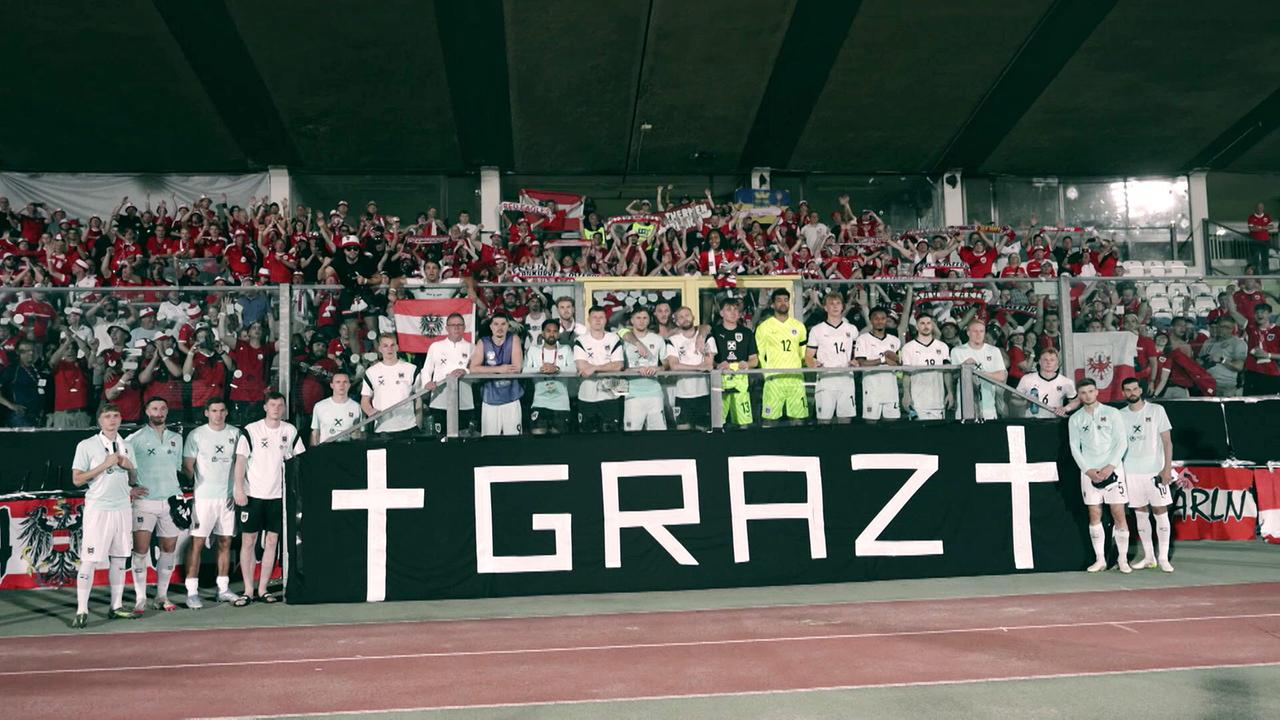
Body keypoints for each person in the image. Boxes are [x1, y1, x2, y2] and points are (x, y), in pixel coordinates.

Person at [70, 404, 144, 627]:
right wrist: (104, 465)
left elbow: (130, 479)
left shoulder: (127, 445)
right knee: (90, 559)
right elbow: (77, 479)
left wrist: (130, 470)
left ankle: (117, 606)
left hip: (122, 508)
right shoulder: (87, 445)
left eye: (116, 416)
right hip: (98, 509)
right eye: (107, 416)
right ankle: (82, 609)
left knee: (120, 558)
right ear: (100, 420)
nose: (112, 420)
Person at [233, 392, 304, 605]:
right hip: (253, 495)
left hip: (278, 496)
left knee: (272, 541)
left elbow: (299, 460)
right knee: (248, 541)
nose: (276, 408)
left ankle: (263, 588)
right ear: (265, 407)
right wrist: (238, 489)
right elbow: (240, 462)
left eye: (280, 405)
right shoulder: (251, 430)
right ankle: (247, 589)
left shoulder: (289, 431)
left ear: (283, 408)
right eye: (272, 405)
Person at [125, 397, 184, 613]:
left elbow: (177, 468)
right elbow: (125, 470)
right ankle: (140, 598)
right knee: (140, 550)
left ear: (167, 412)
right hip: (144, 502)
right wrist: (130, 488)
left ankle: (161, 596)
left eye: (163, 408)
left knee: (168, 549)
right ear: (147, 411)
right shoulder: (134, 439)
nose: (159, 412)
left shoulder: (177, 438)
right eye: (155, 408)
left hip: (170, 501)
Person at [1067, 378, 1131, 574]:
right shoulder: (1075, 419)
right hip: (1089, 473)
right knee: (1094, 514)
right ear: (1079, 395)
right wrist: (1088, 470)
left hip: (1113, 471)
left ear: (1097, 392)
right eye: (1083, 392)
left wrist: (1110, 467)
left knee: (1118, 513)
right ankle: (1100, 559)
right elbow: (1074, 447)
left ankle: (1122, 559)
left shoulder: (1112, 413)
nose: (1087, 395)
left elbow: (1122, 442)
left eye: (1090, 391)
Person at [182, 398, 240, 609]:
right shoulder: (196, 435)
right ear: (207, 413)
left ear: (226, 412)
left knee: (225, 542)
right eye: (214, 411)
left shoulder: (236, 434)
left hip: (228, 498)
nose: (218, 414)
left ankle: (223, 589)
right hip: (204, 498)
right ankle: (192, 592)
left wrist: (237, 490)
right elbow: (188, 466)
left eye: (222, 410)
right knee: (197, 543)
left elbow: (240, 465)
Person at [1118, 378, 1175, 572]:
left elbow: (1167, 442)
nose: (1132, 392)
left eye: (1135, 389)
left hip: (1155, 470)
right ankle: (1149, 557)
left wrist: (1166, 468)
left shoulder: (1157, 410)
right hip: (1131, 471)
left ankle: (1163, 558)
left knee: (1160, 512)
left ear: (1141, 390)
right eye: (1128, 390)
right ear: (1123, 393)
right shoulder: (1120, 415)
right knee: (1140, 515)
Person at [754, 288, 808, 425]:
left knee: (797, 420)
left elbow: (804, 353)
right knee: (770, 420)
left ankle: (796, 446)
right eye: (779, 300)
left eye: (786, 300)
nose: (783, 303)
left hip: (795, 379)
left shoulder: (799, 326)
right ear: (772, 304)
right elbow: (759, 354)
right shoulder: (764, 327)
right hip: (774, 380)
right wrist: (767, 374)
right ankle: (768, 446)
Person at [806, 292, 859, 424]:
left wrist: (856, 361)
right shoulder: (817, 330)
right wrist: (812, 364)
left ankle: (845, 445)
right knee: (823, 420)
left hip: (846, 378)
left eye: (838, 303)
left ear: (842, 307)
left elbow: (857, 353)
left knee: (845, 419)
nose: (835, 307)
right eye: (831, 304)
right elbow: (808, 356)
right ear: (825, 307)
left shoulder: (851, 329)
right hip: (826, 378)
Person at [706, 297, 758, 428]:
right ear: (721, 313)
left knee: (743, 423)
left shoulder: (747, 333)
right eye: (728, 309)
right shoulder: (714, 332)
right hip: (720, 381)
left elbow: (754, 361)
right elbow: (707, 361)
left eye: (736, 309)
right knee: (719, 423)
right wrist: (717, 365)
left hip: (741, 382)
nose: (733, 312)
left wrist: (747, 364)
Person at [418, 313, 474, 435]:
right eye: (453, 325)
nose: (456, 328)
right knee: (440, 438)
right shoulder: (436, 346)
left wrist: (466, 371)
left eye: (459, 325)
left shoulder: (471, 347)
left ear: (464, 327)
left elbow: (475, 370)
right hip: (439, 400)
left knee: (463, 437)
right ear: (447, 328)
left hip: (464, 401)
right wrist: (427, 382)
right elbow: (426, 369)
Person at [470, 313, 523, 436]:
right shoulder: (483, 342)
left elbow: (517, 368)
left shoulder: (514, 339)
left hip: (511, 398)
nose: (500, 327)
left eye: (503, 324)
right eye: (496, 324)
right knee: (489, 440)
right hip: (490, 398)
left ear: (508, 326)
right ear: (490, 326)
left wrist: (488, 369)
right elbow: (473, 368)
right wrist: (500, 369)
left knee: (514, 439)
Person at [573, 306, 624, 432]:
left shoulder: (614, 338)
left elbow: (618, 365)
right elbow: (582, 367)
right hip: (587, 395)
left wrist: (595, 367)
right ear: (588, 319)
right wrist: (607, 366)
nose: (598, 320)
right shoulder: (580, 340)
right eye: (594, 317)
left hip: (611, 395)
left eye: (601, 317)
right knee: (588, 436)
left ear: (606, 320)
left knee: (611, 435)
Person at [665, 306, 714, 430]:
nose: (685, 319)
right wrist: (698, 367)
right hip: (682, 395)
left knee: (703, 432)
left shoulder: (706, 337)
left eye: (687, 315)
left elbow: (708, 365)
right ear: (676, 322)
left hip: (704, 393)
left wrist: (688, 367)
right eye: (680, 317)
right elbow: (674, 366)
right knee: (683, 432)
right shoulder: (672, 340)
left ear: (693, 317)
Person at [360, 333, 418, 435]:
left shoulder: (411, 369)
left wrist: (419, 421)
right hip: (382, 429)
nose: (389, 349)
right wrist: (370, 411)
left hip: (408, 426)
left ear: (397, 347)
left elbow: (420, 397)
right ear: (379, 349)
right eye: (385, 346)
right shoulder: (371, 372)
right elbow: (364, 401)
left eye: (392, 345)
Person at [524, 318, 575, 434]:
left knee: (560, 443)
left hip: (561, 404)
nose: (552, 334)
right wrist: (540, 369)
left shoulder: (565, 349)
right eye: (548, 331)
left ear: (558, 334)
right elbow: (524, 370)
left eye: (555, 331)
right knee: (538, 438)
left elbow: (574, 369)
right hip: (540, 402)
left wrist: (557, 369)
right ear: (542, 333)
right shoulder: (533, 350)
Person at [950, 319, 1008, 419]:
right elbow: (954, 376)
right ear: (968, 333)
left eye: (981, 331)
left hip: (988, 406)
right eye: (975, 331)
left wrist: (980, 373)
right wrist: (964, 367)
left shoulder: (994, 351)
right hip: (965, 407)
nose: (978, 334)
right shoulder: (957, 351)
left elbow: (1001, 376)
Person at [621, 306, 667, 431]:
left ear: (649, 320)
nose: (641, 321)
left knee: (658, 434)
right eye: (638, 318)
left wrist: (657, 369)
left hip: (655, 393)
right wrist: (636, 370)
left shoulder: (658, 340)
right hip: (632, 394)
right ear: (632, 320)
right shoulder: (623, 340)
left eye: (645, 318)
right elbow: (619, 368)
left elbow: (667, 365)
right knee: (631, 434)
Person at [900, 314, 952, 421]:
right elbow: (906, 374)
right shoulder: (908, 348)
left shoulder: (942, 347)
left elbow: (947, 372)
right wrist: (906, 394)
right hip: (917, 401)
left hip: (938, 400)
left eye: (928, 323)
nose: (926, 326)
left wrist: (950, 392)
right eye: (922, 323)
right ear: (917, 326)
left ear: (932, 325)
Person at [854, 307, 901, 421]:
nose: (880, 321)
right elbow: (862, 363)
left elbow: (898, 363)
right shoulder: (862, 339)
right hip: (871, 388)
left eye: (883, 318)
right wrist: (883, 360)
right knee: (871, 423)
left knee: (892, 424)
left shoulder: (894, 340)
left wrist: (897, 360)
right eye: (876, 318)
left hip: (891, 389)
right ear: (871, 320)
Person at [1014, 348, 1079, 418]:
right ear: (1039, 362)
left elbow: (1075, 401)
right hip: (1031, 420)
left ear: (1057, 362)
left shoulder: (1066, 382)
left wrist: (1065, 409)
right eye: (1045, 360)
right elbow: (1014, 399)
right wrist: (1025, 402)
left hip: (1054, 421)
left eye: (1052, 360)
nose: (1048, 362)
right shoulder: (1027, 379)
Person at [1199, 316, 1247, 397]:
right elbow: (1200, 360)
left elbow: (1239, 367)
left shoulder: (1238, 343)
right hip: (1207, 384)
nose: (1221, 329)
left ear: (1232, 329)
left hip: (1226, 386)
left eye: (1226, 327)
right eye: (1219, 326)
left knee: (1227, 409)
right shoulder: (1209, 341)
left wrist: (1222, 359)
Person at [310, 372, 363, 445]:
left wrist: (357, 435)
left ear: (349, 385)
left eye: (345, 382)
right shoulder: (319, 406)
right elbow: (315, 433)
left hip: (348, 451)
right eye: (338, 382)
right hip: (325, 451)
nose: (342, 385)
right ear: (332, 385)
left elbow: (361, 433)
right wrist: (314, 453)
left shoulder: (356, 407)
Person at [1243, 303, 1280, 395]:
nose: (1259, 315)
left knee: (1267, 405)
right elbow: (1233, 312)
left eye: (1263, 312)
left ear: (1270, 314)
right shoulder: (1251, 328)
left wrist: (1268, 355)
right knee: (1249, 405)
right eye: (1256, 313)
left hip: (1271, 374)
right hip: (1252, 373)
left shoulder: (1278, 331)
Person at [1246, 203, 1273, 274]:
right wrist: (1264, 228)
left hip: (1265, 241)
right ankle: (1256, 275)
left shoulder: (1267, 216)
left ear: (1263, 208)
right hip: (1254, 241)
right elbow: (1251, 229)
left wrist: (1260, 227)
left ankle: (1266, 274)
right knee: (1255, 260)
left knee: (1265, 259)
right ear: (1255, 208)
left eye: (1261, 207)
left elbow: (1271, 227)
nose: (1259, 209)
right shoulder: (1251, 217)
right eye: (1258, 207)